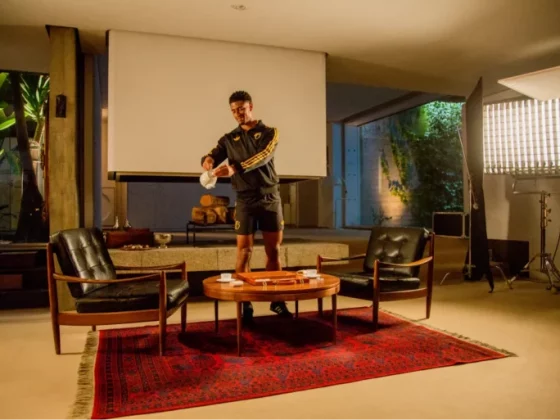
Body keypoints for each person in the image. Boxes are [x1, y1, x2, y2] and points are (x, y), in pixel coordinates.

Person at [201, 91, 292, 324]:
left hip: (270, 198)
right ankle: (245, 303)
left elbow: (263, 156)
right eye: (233, 110)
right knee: (244, 252)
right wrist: (208, 161)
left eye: (241, 109)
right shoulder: (229, 138)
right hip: (244, 200)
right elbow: (213, 154)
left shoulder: (270, 132)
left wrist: (235, 168)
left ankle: (277, 300)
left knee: (273, 251)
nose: (237, 114)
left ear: (250, 106)